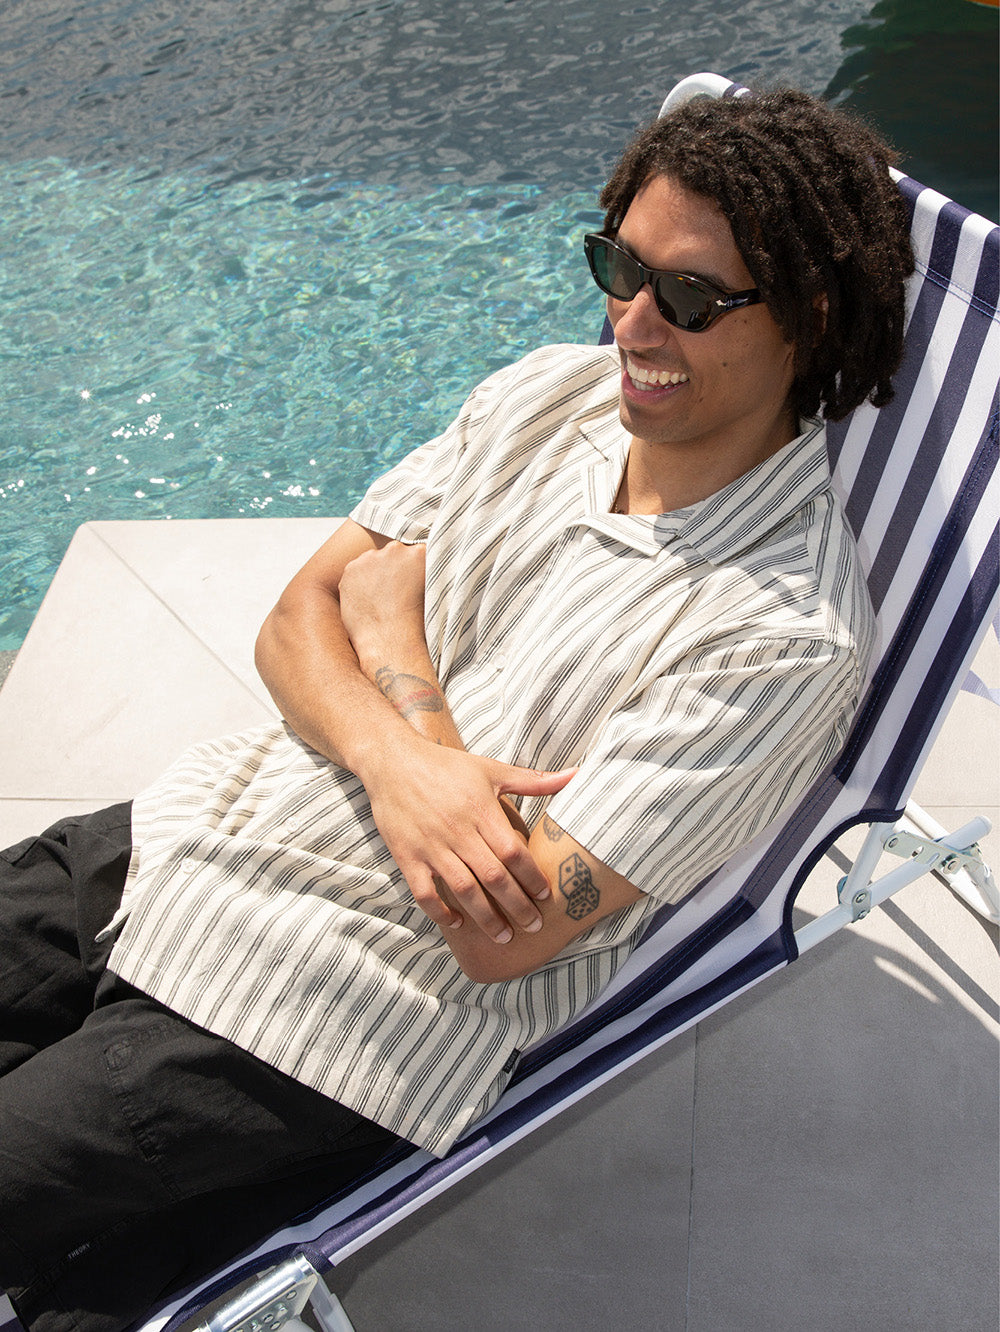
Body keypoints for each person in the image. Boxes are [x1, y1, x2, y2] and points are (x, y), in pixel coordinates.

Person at [0, 88, 914, 1331]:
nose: (632, 323)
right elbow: (294, 621)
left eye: (690, 298)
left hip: (314, 1007)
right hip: (179, 845)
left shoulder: (780, 637)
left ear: (809, 316)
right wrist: (407, 759)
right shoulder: (545, 397)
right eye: (618, 267)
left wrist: (391, 649)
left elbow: (508, 932)